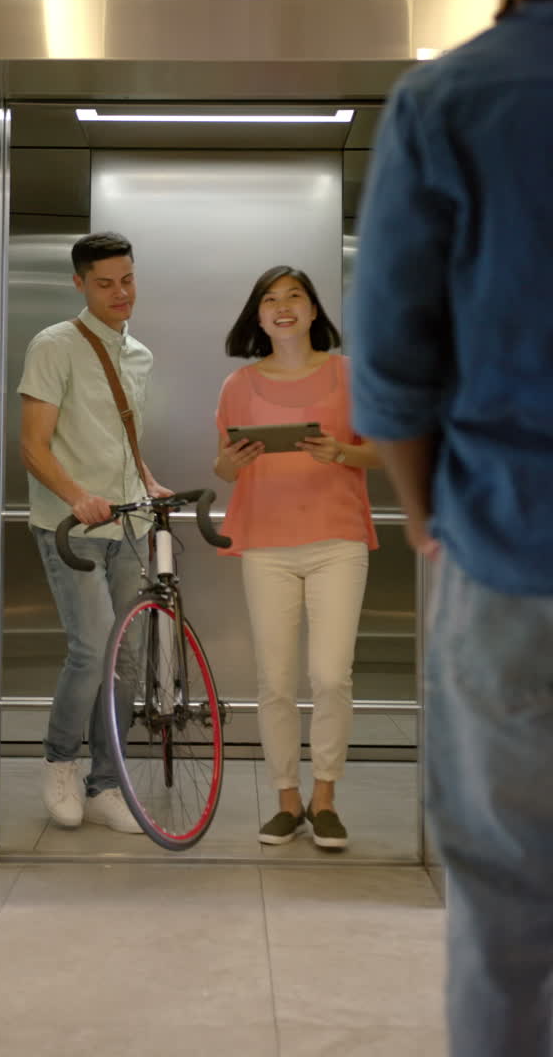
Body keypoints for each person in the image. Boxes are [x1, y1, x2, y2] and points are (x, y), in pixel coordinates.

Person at [349, 0, 553, 1057]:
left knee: (505, 913)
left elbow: (389, 372)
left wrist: (428, 516)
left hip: (511, 551)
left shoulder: (453, 100)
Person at [214, 266, 380, 848]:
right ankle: (287, 800)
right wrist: (232, 463)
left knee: (331, 676)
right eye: (270, 299)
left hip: (338, 541)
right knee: (276, 681)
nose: (282, 306)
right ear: (258, 317)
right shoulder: (238, 385)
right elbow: (222, 466)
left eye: (294, 297)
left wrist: (342, 453)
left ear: (313, 311)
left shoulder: (350, 375)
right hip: (266, 546)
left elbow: (387, 451)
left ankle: (324, 797)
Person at [18, 230, 170, 833]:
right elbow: (33, 446)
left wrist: (147, 481)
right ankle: (60, 762)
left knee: (126, 658)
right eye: (105, 283)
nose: (120, 292)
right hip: (72, 527)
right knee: (92, 648)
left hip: (129, 523)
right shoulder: (53, 345)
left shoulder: (141, 355)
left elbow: (121, 440)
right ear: (79, 283)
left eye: (127, 280)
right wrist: (78, 497)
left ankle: (107, 783)